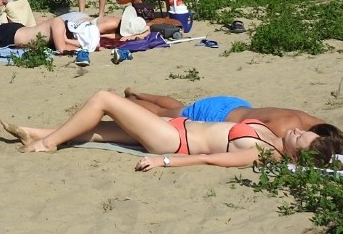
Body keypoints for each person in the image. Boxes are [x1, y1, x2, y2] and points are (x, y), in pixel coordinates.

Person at [0, 90, 343, 170]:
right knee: (105, 129)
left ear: (297, 153)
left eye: (301, 138)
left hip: (172, 140)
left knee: (105, 99)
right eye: (304, 131)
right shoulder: (273, 135)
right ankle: (36, 132)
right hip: (177, 126)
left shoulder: (265, 151)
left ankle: (47, 145)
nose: (298, 131)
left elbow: (211, 159)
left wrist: (165, 162)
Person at [0, 7, 148, 58]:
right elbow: (62, 47)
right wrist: (81, 46)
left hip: (16, 31)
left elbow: (68, 41)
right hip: (9, 37)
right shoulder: (57, 24)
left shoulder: (62, 26)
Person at [123, 89, 341, 139]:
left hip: (237, 106)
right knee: (166, 114)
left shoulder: (319, 124)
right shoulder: (287, 129)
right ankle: (127, 103)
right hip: (218, 114)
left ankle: (137, 93)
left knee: (182, 108)